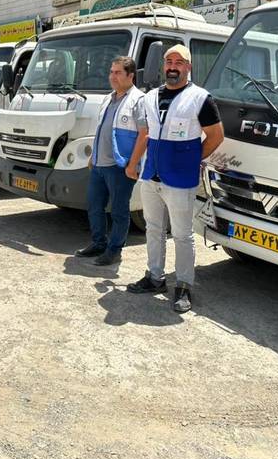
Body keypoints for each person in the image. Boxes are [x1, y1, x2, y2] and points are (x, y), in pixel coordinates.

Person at [124, 45, 225, 313]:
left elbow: (216, 136)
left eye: (179, 62)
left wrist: (192, 159)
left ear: (188, 67)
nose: (172, 66)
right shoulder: (150, 97)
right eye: (169, 61)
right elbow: (146, 134)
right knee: (153, 229)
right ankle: (155, 277)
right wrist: (134, 163)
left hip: (180, 179)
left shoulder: (200, 98)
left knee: (182, 234)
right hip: (151, 176)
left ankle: (183, 285)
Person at [75, 56, 144, 266]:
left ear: (130, 76)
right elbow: (101, 130)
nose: (112, 77)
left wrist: (133, 164)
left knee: (119, 211)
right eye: (111, 72)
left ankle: (114, 250)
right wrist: (93, 156)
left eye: (118, 72)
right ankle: (98, 243)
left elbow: (144, 134)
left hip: (120, 166)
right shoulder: (108, 98)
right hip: (99, 165)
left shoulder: (138, 100)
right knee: (94, 206)